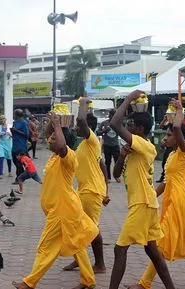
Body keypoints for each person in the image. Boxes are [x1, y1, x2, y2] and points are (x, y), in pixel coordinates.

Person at [125, 99, 185, 289]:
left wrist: (180, 110)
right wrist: (150, 196)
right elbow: (165, 183)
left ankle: (145, 282)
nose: (166, 137)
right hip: (172, 200)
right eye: (166, 134)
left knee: (161, 241)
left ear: (179, 136)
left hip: (181, 201)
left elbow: (176, 127)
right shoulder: (172, 155)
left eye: (169, 134)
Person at [12, 111, 98, 289]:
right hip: (64, 210)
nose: (49, 140)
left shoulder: (69, 158)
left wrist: (58, 125)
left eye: (53, 138)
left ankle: (29, 283)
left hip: (62, 211)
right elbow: (51, 139)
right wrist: (53, 122)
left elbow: (61, 146)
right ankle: (89, 281)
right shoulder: (54, 157)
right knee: (77, 245)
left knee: (45, 248)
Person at [109, 90, 175, 289]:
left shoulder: (145, 146)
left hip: (143, 204)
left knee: (119, 249)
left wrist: (128, 99)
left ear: (140, 128)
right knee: (152, 252)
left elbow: (114, 123)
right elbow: (116, 174)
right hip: (145, 204)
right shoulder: (133, 148)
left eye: (130, 126)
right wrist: (121, 155)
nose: (127, 128)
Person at [63, 97, 109, 273]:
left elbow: (82, 120)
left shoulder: (92, 141)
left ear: (86, 127)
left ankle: (100, 265)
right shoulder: (84, 144)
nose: (76, 127)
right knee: (76, 226)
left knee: (92, 229)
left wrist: (83, 104)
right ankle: (79, 258)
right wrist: (107, 190)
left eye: (78, 126)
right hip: (84, 190)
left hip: (92, 192)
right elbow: (102, 165)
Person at [97, 109, 120, 182]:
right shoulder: (104, 123)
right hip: (107, 145)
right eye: (111, 115)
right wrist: (104, 131)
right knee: (107, 162)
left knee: (117, 161)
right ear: (109, 115)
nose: (113, 117)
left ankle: (117, 176)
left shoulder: (118, 123)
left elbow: (123, 131)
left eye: (114, 116)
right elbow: (98, 132)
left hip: (115, 145)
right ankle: (108, 177)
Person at [11, 109, 29, 184]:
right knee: (15, 161)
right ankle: (23, 175)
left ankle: (19, 179)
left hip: (21, 146)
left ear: (17, 115)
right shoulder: (14, 122)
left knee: (19, 163)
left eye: (14, 114)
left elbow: (27, 134)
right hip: (14, 145)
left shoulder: (23, 123)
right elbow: (14, 132)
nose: (13, 115)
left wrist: (16, 131)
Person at [0, 115, 13, 179]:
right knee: (1, 157)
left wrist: (10, 134)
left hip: (8, 144)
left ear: (5, 119)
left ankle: (10, 172)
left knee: (9, 158)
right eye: (1, 119)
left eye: (3, 119)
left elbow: (14, 135)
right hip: (0, 144)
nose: (2, 120)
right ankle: (1, 173)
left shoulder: (10, 126)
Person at [156, 115, 172, 183]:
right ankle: (163, 176)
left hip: (174, 147)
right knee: (164, 162)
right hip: (168, 146)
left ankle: (168, 177)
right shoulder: (169, 124)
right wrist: (164, 119)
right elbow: (160, 127)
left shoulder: (177, 125)